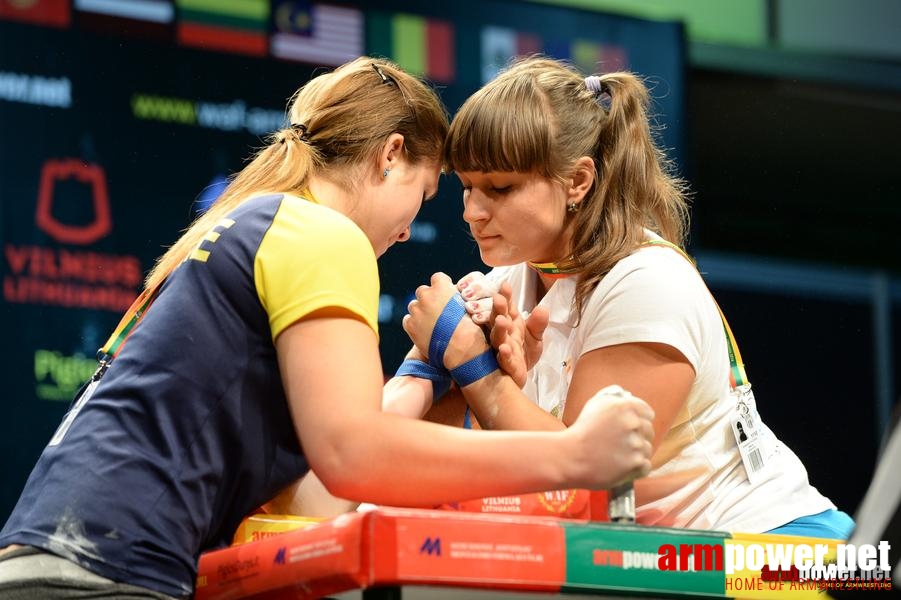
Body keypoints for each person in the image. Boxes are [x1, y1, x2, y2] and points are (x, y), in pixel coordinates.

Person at [0, 57, 656, 599]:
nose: (407, 230)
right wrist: (573, 455)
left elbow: (315, 491)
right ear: (390, 155)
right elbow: (354, 458)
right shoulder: (322, 234)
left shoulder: (259, 221)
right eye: (424, 196)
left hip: (53, 564)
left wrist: (436, 365)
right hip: (100, 577)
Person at [401, 56, 854, 539]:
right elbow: (414, 454)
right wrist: (440, 371)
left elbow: (585, 483)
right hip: (661, 558)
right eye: (467, 186)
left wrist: (476, 370)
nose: (473, 212)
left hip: (777, 547)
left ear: (577, 180)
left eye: (500, 188)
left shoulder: (645, 283)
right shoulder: (504, 282)